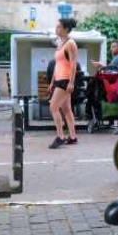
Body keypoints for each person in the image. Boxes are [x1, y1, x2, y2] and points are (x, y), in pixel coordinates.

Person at [48, 17, 79, 149]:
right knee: (66, 109)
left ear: (66, 29)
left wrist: (71, 82)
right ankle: (72, 137)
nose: (57, 29)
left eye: (59, 27)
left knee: (53, 107)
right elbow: (57, 65)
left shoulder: (70, 44)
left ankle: (60, 136)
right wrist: (52, 82)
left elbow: (73, 64)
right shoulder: (61, 44)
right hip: (59, 79)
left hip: (66, 80)